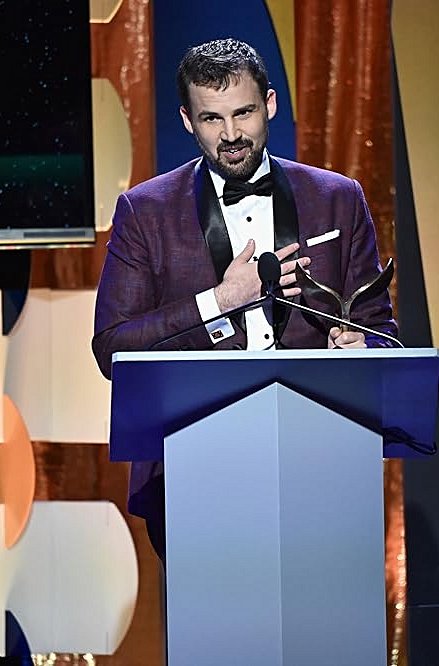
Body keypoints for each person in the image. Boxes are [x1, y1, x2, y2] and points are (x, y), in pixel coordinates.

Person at [92, 38, 397, 562]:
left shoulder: (338, 198)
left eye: (243, 113)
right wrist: (219, 300)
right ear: (187, 121)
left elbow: (383, 335)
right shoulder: (145, 211)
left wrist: (361, 348)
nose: (231, 135)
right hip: (193, 464)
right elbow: (112, 348)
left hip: (320, 459)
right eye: (211, 118)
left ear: (270, 104)